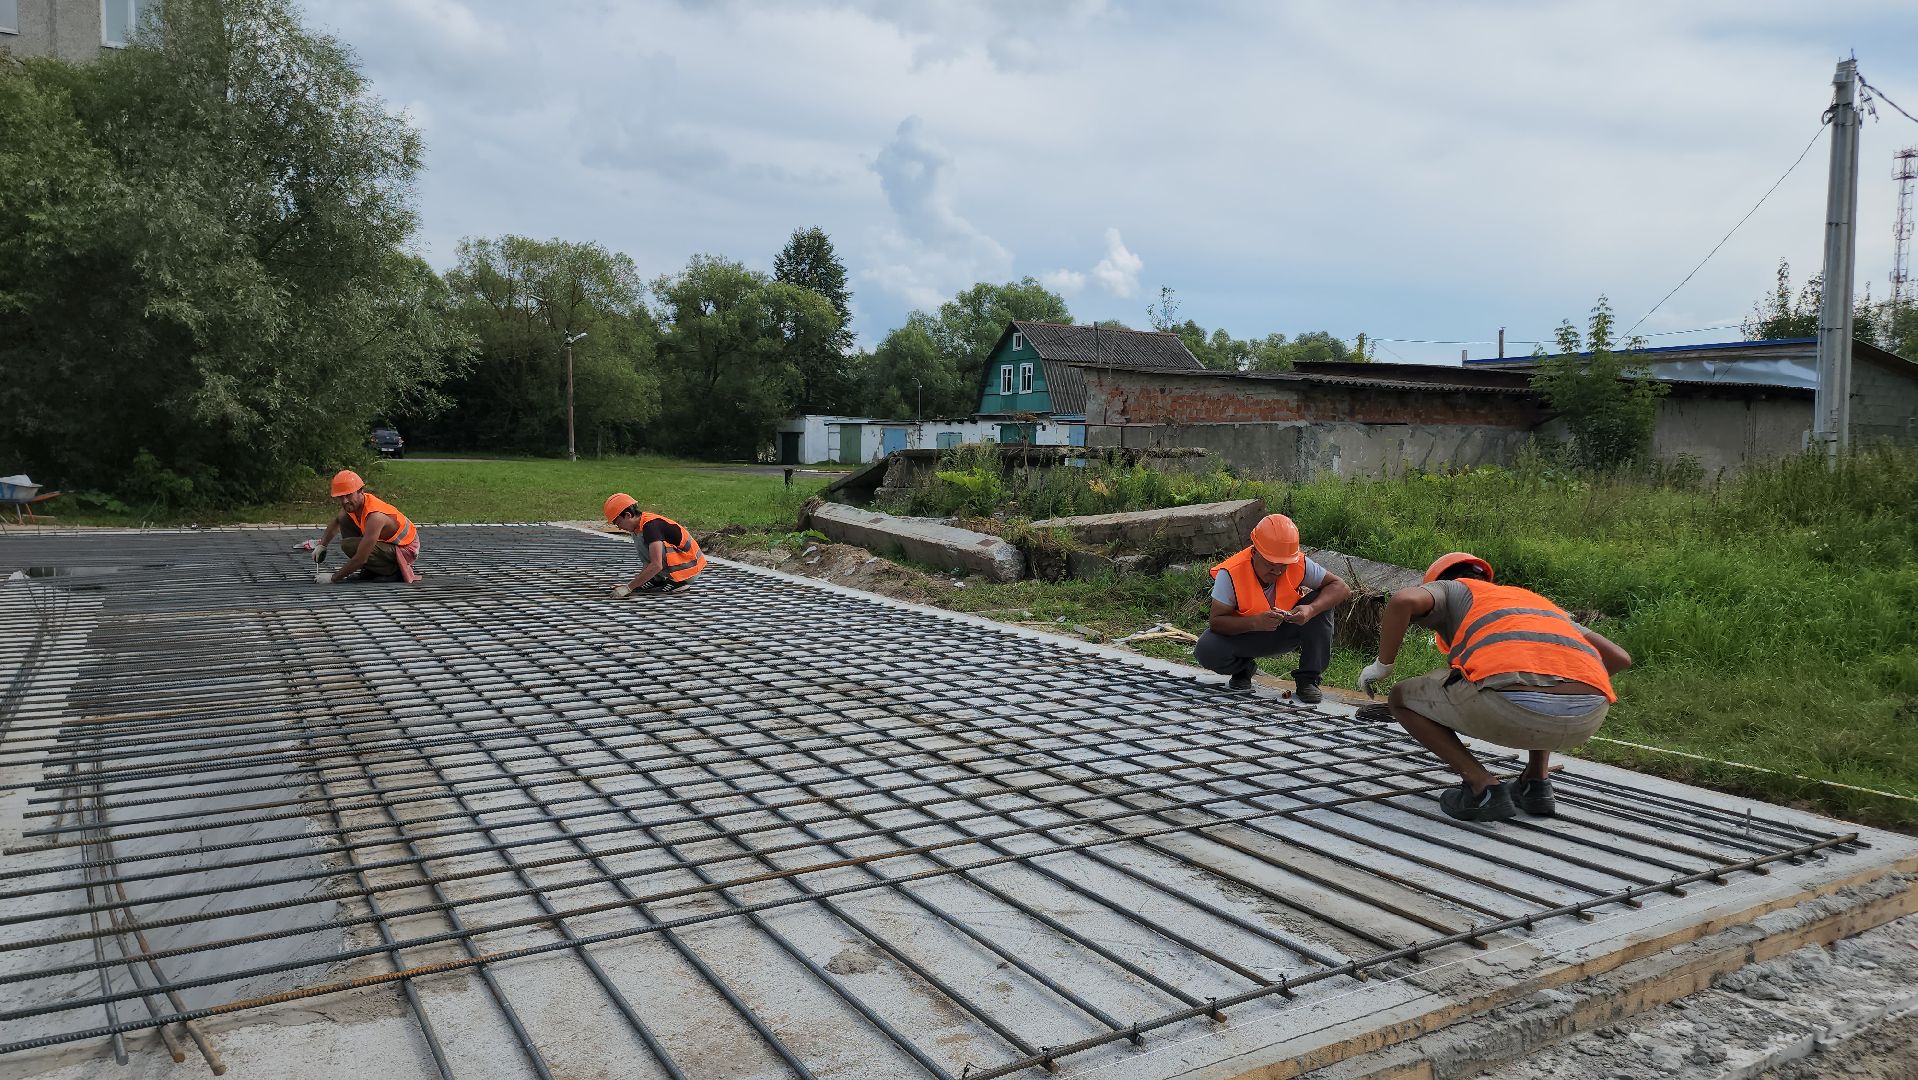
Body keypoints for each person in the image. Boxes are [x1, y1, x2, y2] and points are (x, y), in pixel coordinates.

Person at [1359, 551, 1632, 822]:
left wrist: (1383, 666)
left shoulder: (1452, 587)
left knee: (1400, 698)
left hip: (1511, 709)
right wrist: (1568, 693)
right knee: (1540, 672)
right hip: (1589, 717)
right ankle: (1536, 783)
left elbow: (1403, 600)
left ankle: (1481, 788)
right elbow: (1620, 658)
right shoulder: (1535, 603)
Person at [1195, 513, 1350, 704]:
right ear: (1254, 552)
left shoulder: (1297, 563)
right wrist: (1254, 622)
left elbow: (1341, 587)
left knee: (1323, 603)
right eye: (1270, 564)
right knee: (1207, 648)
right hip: (1246, 635)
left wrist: (1310, 610)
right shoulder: (1231, 573)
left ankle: (1308, 680)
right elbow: (1217, 622)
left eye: (1283, 566)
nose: (1277, 571)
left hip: (1287, 630)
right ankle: (1242, 669)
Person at [312, 470, 420, 583]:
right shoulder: (356, 504)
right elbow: (337, 521)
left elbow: (361, 558)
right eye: (340, 497)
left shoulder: (375, 517)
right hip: (391, 545)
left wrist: (333, 578)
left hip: (406, 550)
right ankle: (372, 569)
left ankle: (394, 571)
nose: (345, 501)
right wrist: (322, 545)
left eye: (348, 495)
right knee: (344, 517)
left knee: (349, 545)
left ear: (360, 491)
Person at [602, 493, 705, 597]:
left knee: (644, 539)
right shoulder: (639, 527)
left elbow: (656, 565)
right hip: (684, 566)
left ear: (628, 515)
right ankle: (657, 579)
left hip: (689, 571)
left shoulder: (651, 527)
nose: (619, 528)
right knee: (638, 535)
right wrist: (633, 585)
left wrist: (628, 588)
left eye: (618, 523)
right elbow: (647, 564)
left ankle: (679, 583)